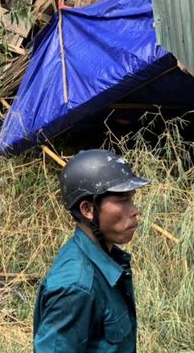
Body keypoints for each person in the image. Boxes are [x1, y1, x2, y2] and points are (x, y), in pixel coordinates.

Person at [33, 149, 150, 352]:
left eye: (131, 199)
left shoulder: (106, 260)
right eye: (122, 200)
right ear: (88, 210)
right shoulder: (76, 286)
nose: (135, 210)